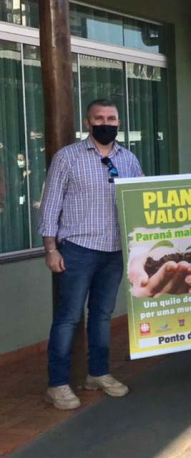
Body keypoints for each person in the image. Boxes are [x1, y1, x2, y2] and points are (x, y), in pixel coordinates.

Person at [39, 99, 143, 410]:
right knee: (68, 317)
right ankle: (57, 384)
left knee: (101, 316)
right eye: (99, 118)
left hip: (114, 251)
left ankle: (97, 373)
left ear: (119, 122)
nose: (106, 122)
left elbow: (140, 200)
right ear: (88, 123)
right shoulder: (68, 158)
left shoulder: (129, 160)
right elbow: (50, 205)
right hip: (77, 250)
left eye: (112, 117)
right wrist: (50, 248)